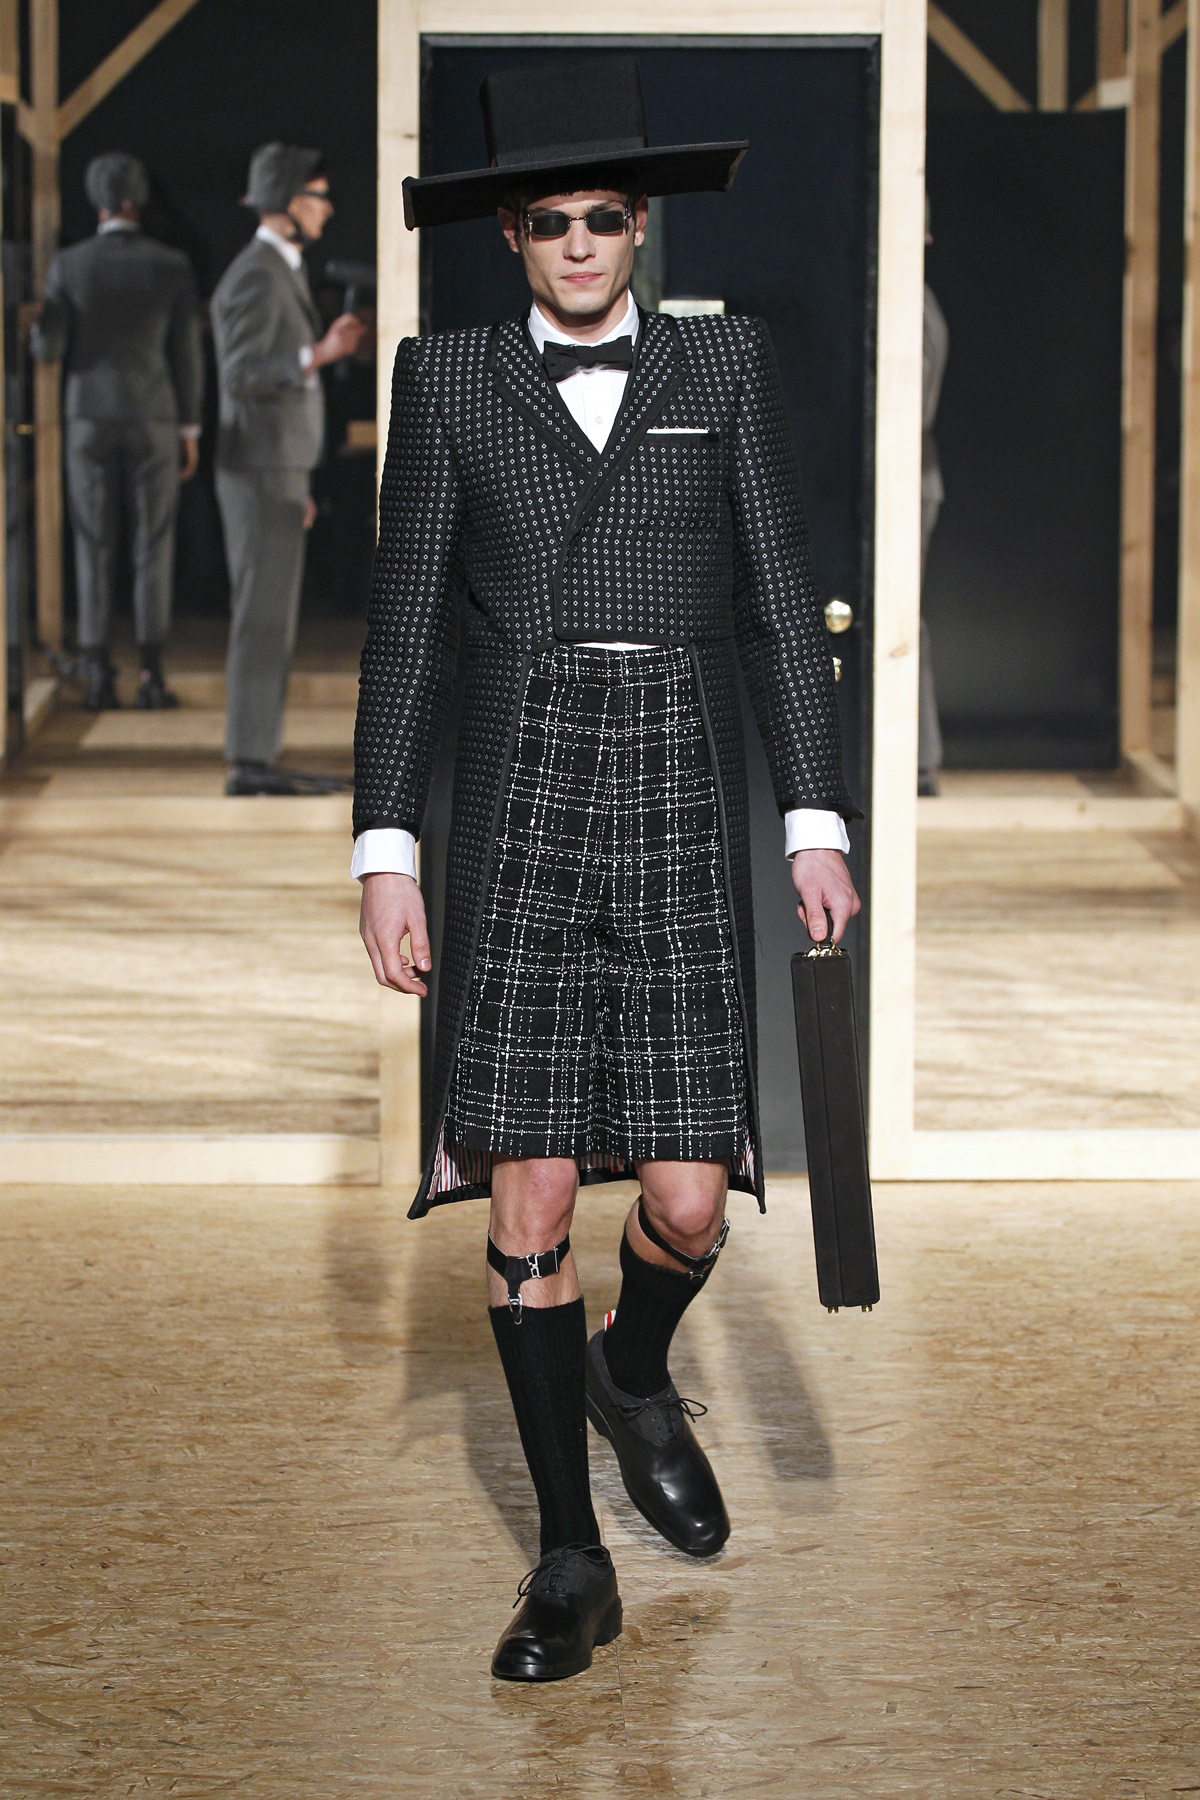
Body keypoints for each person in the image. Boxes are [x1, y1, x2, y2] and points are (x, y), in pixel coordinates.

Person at [353, 56, 861, 1683]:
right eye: (549, 220)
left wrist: (815, 817)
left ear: (639, 225)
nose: (579, 242)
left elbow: (780, 594)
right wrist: (385, 845)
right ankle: (569, 1563)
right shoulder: (446, 379)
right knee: (534, 1192)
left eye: (605, 217)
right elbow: (408, 628)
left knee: (693, 1197)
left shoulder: (723, 359)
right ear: (510, 234)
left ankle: (632, 1370)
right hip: (519, 797)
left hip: (674, 787)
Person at [211, 144, 364, 796]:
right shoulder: (257, 273)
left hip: (275, 466)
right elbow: (241, 373)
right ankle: (250, 759)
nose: (327, 208)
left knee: (272, 619)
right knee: (262, 619)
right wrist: (318, 352)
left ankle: (258, 753)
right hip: (260, 465)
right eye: (318, 196)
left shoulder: (277, 268)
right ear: (288, 200)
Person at [31, 152, 202, 711]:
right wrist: (190, 427)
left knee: (93, 543)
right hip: (153, 414)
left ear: (98, 202)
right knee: (154, 543)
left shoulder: (68, 265)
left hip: (87, 416)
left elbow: (49, 349)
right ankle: (152, 674)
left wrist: (38, 322)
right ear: (136, 200)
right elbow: (187, 355)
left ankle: (99, 673)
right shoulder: (171, 264)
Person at [919, 201, 949, 797]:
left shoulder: (916, 308)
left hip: (912, 479)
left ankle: (920, 758)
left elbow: (912, 411)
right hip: (918, 478)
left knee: (905, 617)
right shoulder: (920, 304)